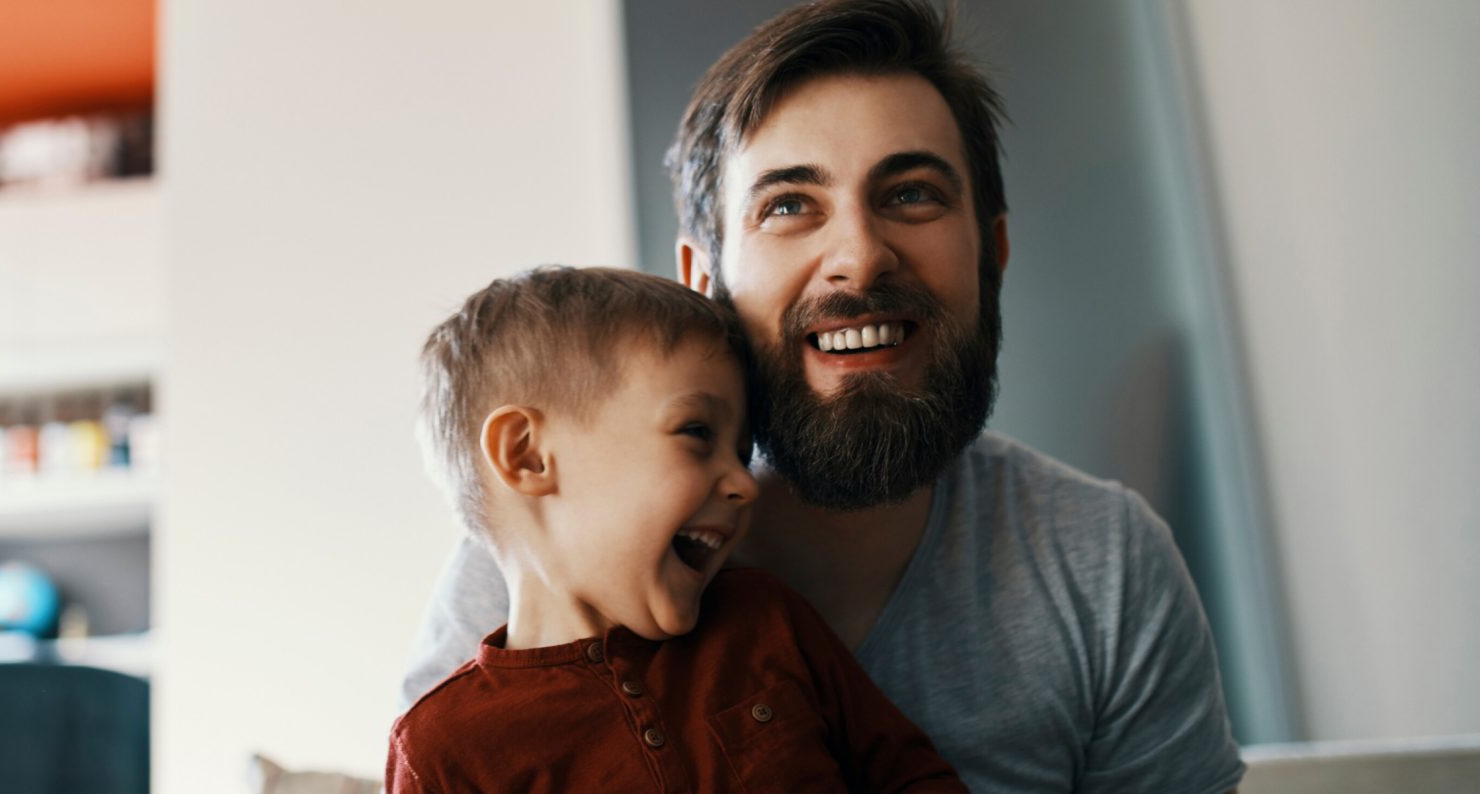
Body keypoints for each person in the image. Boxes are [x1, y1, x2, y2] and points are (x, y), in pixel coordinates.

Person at [400, 2, 1245, 792]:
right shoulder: (520, 576)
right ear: (703, 280)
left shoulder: (1105, 567)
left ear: (991, 254)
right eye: (790, 205)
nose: (860, 256)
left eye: (911, 193)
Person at [388, 266, 965, 792]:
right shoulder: (443, 748)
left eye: (742, 452)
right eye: (696, 433)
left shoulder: (767, 623)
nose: (743, 482)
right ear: (529, 456)